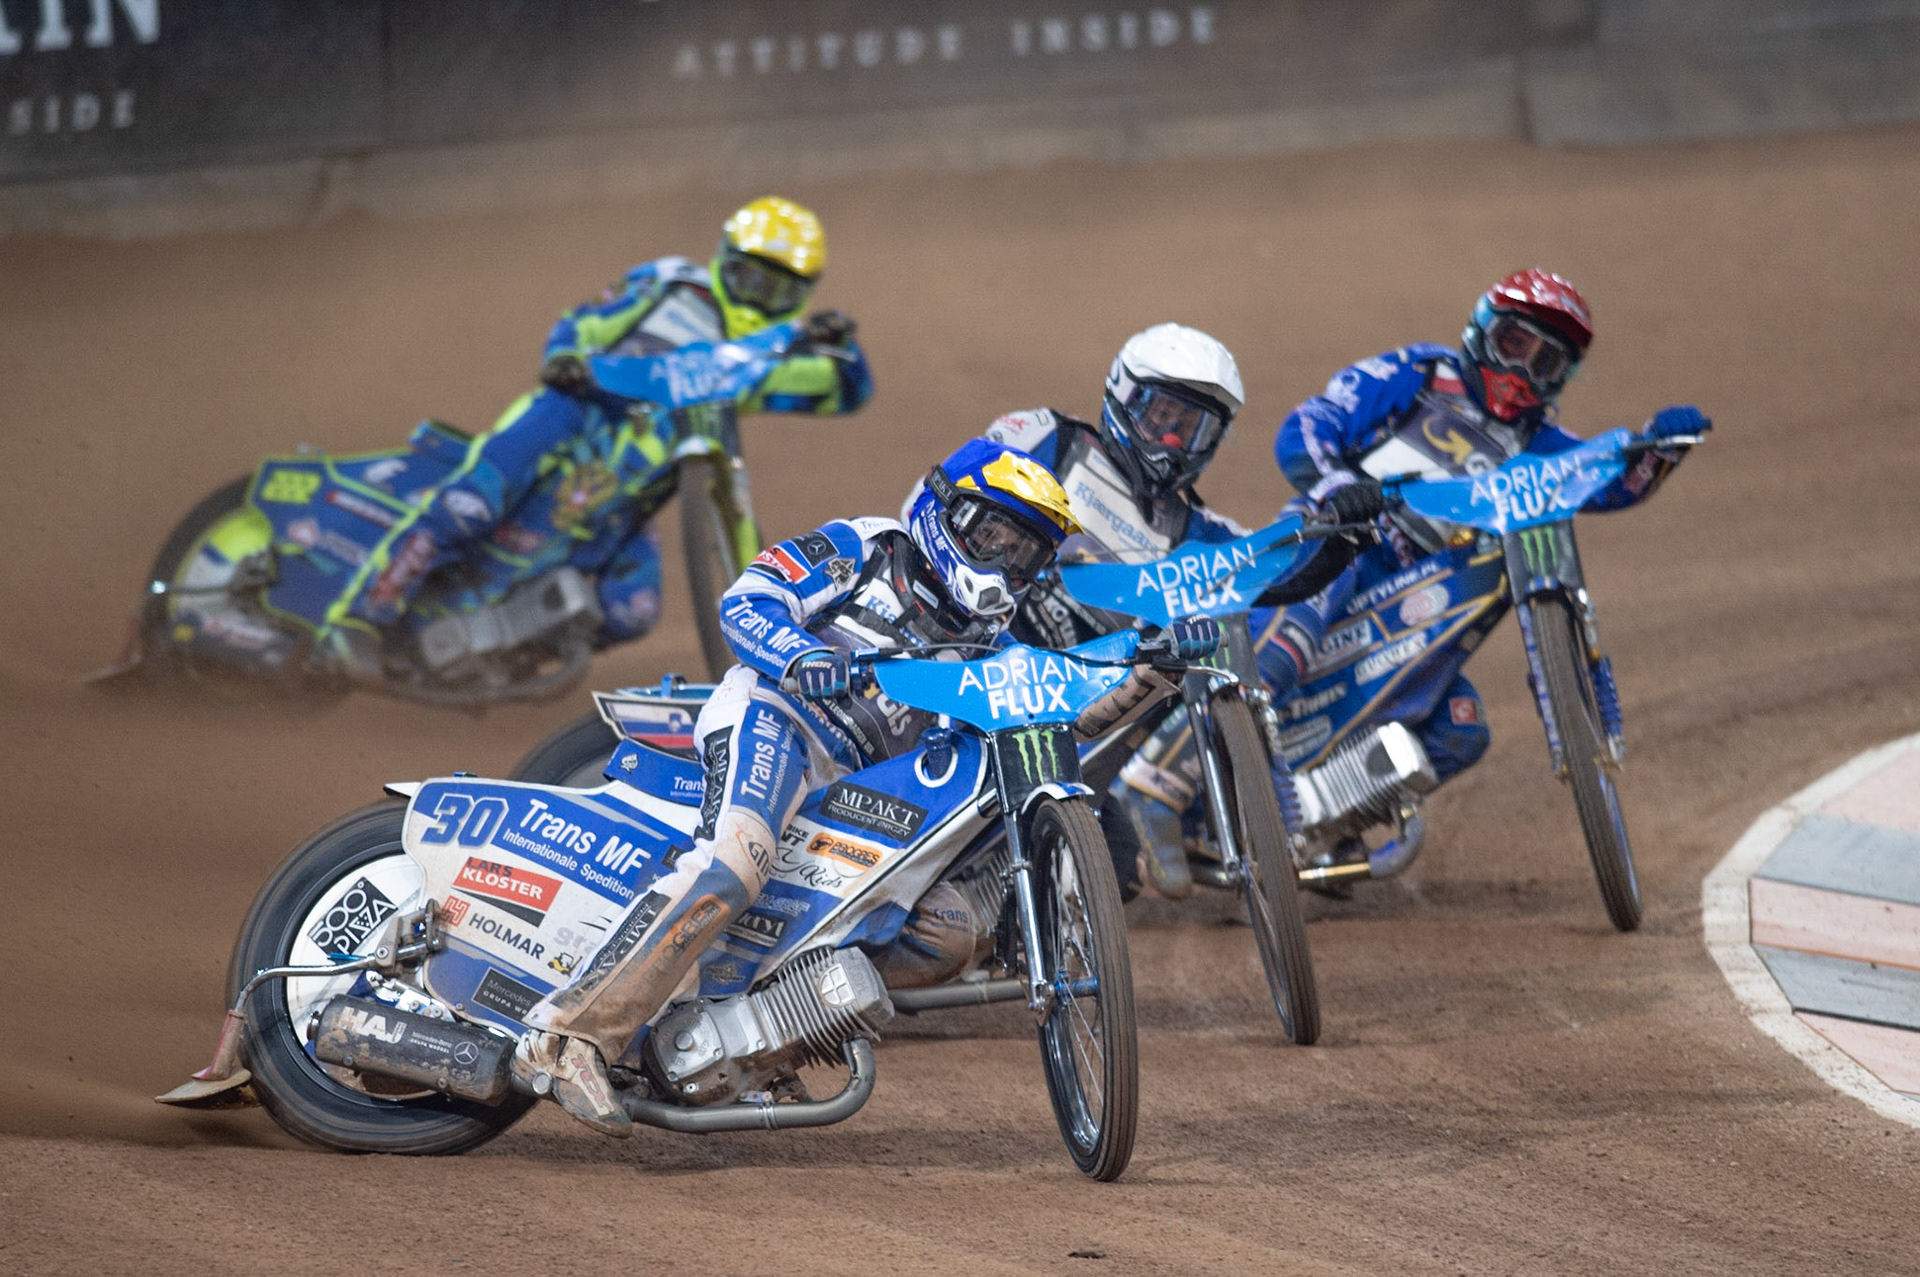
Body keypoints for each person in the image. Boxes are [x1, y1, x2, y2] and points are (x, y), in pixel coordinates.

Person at [511, 438, 1124, 1135]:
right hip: (779, 716)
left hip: (859, 785)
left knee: (946, 934)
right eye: (994, 536)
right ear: (944, 512)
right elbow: (747, 599)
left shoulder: (994, 645)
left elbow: (1069, 703)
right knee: (736, 859)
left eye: (1025, 554)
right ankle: (568, 1038)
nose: (1005, 562)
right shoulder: (866, 549)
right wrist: (803, 654)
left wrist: (1156, 668)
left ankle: (752, 1034)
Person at [314, 195, 874, 678]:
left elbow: (843, 392)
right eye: (748, 277)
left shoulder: (751, 367)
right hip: (572, 417)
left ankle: (502, 658)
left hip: (622, 502)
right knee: (470, 505)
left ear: (801, 296)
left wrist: (840, 347)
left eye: (777, 291)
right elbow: (584, 321)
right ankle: (359, 617)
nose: (757, 298)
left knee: (634, 608)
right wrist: (563, 357)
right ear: (723, 260)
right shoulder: (677, 283)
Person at [945, 323, 1384, 899]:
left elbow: (1277, 579)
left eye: (1194, 429)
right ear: (1122, 396)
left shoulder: (1198, 533)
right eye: (1162, 418)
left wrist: (1341, 541)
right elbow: (943, 506)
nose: (1174, 442)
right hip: (980, 673)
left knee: (1118, 873)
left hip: (1077, 735)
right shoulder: (1049, 442)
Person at [1262, 268, 1709, 805]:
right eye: (1514, 344)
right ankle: (1244, 707)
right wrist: (1337, 487)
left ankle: (1316, 821)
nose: (1521, 372)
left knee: (1460, 728)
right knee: (1312, 599)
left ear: (1561, 378)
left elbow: (1604, 485)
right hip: (1338, 547)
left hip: (1415, 609)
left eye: (1544, 363)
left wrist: (1657, 452)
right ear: (1481, 330)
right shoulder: (1421, 374)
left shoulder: (1539, 444)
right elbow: (1310, 423)